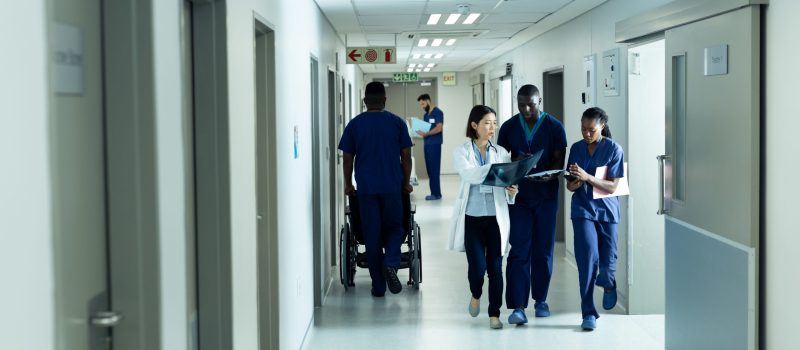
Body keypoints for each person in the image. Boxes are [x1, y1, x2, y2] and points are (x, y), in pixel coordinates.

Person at [497, 84, 566, 325]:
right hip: (519, 197)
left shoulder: (554, 127)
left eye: (531, 104)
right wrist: (515, 161)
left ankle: (541, 299)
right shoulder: (507, 128)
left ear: (540, 102)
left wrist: (551, 175)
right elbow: (502, 162)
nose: (526, 109)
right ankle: (518, 305)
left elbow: (559, 161)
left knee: (543, 250)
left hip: (546, 196)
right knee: (519, 250)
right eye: (521, 104)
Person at [338, 82, 414, 297]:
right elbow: (406, 158)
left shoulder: (354, 125)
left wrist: (347, 184)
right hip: (392, 187)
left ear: (364, 101)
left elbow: (347, 159)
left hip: (367, 190)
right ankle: (391, 262)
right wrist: (406, 182)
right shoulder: (397, 123)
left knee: (371, 236)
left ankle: (378, 287)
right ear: (385, 100)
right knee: (395, 228)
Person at [448, 105, 518, 330]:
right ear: (474, 125)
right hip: (473, 218)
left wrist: (512, 191)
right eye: (487, 122)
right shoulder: (461, 152)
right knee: (477, 269)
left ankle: (494, 314)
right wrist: (495, 171)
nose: (492, 128)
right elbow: (469, 174)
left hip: (495, 219)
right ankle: (475, 293)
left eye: (494, 123)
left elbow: (507, 181)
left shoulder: (502, 152)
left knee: (496, 269)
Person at [565, 107, 625, 331]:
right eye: (583, 129)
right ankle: (588, 312)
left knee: (607, 266)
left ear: (602, 126)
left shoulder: (614, 149)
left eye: (591, 130)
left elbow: (612, 186)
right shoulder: (576, 148)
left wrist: (587, 177)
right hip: (582, 210)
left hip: (607, 211)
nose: (586, 134)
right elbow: (570, 184)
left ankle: (609, 284)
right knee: (587, 260)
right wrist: (575, 184)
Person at [415, 93, 444, 200]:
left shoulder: (438, 112)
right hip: (427, 144)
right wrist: (418, 131)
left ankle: (436, 194)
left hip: (435, 144)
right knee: (429, 170)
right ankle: (434, 192)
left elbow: (439, 128)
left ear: (428, 100)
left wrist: (426, 134)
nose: (422, 106)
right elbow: (427, 129)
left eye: (423, 104)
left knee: (434, 169)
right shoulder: (426, 115)